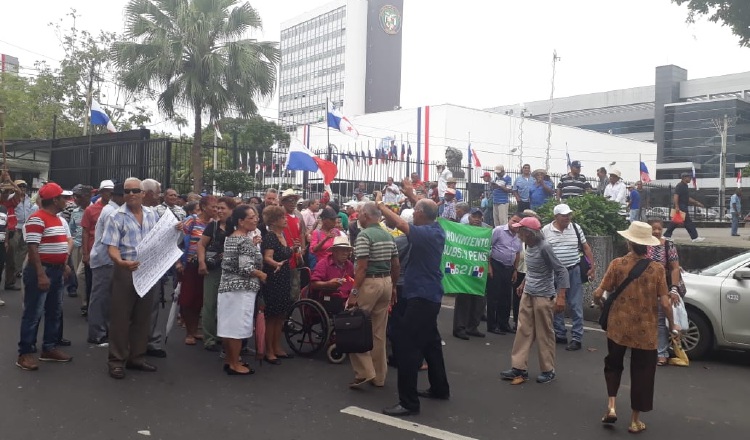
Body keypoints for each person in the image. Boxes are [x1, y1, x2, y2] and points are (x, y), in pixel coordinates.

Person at [593, 221, 678, 434]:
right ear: (649, 245)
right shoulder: (657, 269)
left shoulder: (617, 264)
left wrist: (602, 304)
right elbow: (666, 303)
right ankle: (634, 420)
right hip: (646, 330)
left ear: (629, 242)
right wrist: (672, 324)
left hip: (618, 326)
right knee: (642, 373)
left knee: (613, 364)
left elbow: (598, 293)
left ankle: (611, 406)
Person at [375, 181, 449, 417]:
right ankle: (439, 388)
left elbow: (398, 222)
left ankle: (408, 403)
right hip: (431, 296)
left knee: (406, 346)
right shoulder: (436, 228)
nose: (413, 213)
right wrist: (411, 194)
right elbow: (427, 209)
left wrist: (380, 204)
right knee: (431, 343)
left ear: (420, 215)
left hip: (421, 297)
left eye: (415, 211)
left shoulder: (423, 233)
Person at [101, 177, 160, 379]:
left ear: (144, 193)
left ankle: (137, 357)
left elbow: (162, 237)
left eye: (136, 191)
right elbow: (112, 247)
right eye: (127, 191)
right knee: (120, 317)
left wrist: (176, 230)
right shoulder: (116, 216)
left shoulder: (153, 214)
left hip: (147, 269)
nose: (131, 195)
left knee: (143, 317)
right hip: (125, 269)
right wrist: (120, 263)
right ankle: (116, 360)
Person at [500, 216, 569, 384]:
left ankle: (548, 370)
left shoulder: (544, 247)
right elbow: (532, 269)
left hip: (543, 296)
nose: (517, 232)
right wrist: (523, 283)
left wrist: (561, 296)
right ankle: (519, 367)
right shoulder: (527, 245)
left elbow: (561, 271)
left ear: (528, 233)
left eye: (520, 230)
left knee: (544, 333)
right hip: (529, 293)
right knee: (523, 330)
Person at [15, 183, 73, 371]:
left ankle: (48, 348)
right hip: (42, 271)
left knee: (54, 310)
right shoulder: (37, 219)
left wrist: (63, 265)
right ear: (54, 200)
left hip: (56, 271)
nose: (66, 200)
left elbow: (59, 244)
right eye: (63, 197)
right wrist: (41, 274)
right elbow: (33, 250)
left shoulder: (56, 219)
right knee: (33, 313)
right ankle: (25, 352)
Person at [347, 201, 399, 388]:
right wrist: (393, 286)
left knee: (355, 326)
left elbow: (361, 268)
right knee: (379, 332)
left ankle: (364, 372)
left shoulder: (364, 236)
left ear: (367, 216)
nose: (358, 215)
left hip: (369, 283)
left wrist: (353, 292)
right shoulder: (388, 235)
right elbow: (396, 265)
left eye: (360, 213)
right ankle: (379, 376)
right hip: (386, 282)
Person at [218, 204, 266, 375]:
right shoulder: (244, 240)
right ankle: (234, 364)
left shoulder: (232, 237)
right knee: (238, 328)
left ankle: (230, 360)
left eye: (256, 217)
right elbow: (246, 268)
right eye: (251, 217)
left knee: (228, 327)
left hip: (228, 287)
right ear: (240, 221)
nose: (255, 220)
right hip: (242, 289)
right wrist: (260, 274)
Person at [541, 204, 595, 351]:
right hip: (555, 272)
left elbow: (586, 247)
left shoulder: (576, 228)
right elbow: (541, 251)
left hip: (573, 270)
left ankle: (577, 337)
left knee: (575, 304)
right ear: (556, 217)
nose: (567, 218)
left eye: (569, 215)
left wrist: (592, 266)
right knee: (557, 302)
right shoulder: (546, 230)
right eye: (564, 215)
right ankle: (560, 333)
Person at [87, 183, 125, 346]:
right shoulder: (111, 212)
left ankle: (102, 331)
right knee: (101, 298)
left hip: (107, 259)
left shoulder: (113, 210)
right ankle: (97, 334)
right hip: (105, 259)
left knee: (106, 297)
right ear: (118, 196)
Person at [198, 196, 236, 352]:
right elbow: (201, 244)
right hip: (214, 269)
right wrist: (201, 262)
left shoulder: (236, 226)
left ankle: (224, 335)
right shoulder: (212, 227)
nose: (219, 211)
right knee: (210, 304)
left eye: (223, 208)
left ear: (231, 210)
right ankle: (209, 338)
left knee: (228, 304)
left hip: (232, 270)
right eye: (217, 208)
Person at [261, 205, 298, 364]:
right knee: (272, 317)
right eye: (282, 218)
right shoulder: (270, 236)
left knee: (281, 315)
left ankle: (277, 346)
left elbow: (285, 253)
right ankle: (269, 350)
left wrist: (292, 249)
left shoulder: (282, 235)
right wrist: (276, 263)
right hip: (274, 278)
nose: (285, 220)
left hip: (284, 277)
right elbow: (267, 257)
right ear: (274, 221)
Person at [176, 195, 215, 345]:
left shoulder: (214, 223)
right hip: (190, 265)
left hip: (207, 265)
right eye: (213, 207)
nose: (216, 210)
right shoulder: (191, 220)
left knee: (200, 299)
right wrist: (178, 262)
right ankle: (189, 332)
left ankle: (195, 329)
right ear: (204, 207)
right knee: (188, 299)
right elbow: (178, 242)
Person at [646, 219, 683, 366]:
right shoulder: (642, 244)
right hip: (645, 289)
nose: (656, 231)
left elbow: (675, 268)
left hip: (662, 288)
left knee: (661, 322)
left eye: (658, 229)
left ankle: (662, 353)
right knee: (645, 319)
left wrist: (673, 288)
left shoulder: (668, 244)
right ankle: (646, 350)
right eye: (653, 229)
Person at [453, 208, 490, 339]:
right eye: (474, 216)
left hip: (479, 269)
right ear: (469, 218)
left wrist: (489, 266)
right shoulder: (461, 229)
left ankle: (472, 327)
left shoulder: (486, 230)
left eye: (479, 217)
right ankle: (459, 328)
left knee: (479, 299)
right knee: (464, 299)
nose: (477, 219)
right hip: (464, 269)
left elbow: (488, 250)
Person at [81, 180, 114, 313]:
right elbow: (85, 231)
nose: (109, 193)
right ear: (101, 192)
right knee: (91, 282)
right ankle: (89, 307)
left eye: (111, 191)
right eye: (107, 191)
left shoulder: (118, 208)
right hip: (93, 250)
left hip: (110, 253)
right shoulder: (91, 209)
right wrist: (85, 253)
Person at [486, 213, 523, 335]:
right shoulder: (498, 230)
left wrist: (515, 270)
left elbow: (517, 254)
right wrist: (489, 266)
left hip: (509, 268)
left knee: (506, 298)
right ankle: (492, 325)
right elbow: (488, 247)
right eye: (513, 220)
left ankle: (504, 324)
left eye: (518, 222)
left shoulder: (519, 235)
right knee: (493, 297)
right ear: (509, 219)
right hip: (496, 265)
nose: (515, 223)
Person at [67, 184, 92, 311]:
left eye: (78, 196)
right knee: (78, 275)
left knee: (81, 274)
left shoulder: (95, 210)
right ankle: (85, 300)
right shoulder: (75, 212)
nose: (75, 198)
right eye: (74, 196)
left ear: (87, 196)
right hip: (77, 246)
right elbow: (71, 229)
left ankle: (87, 301)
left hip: (89, 247)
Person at [279, 189, 306, 301]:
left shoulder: (299, 216)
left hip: (296, 255)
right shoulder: (279, 214)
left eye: (294, 200)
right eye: (289, 200)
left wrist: (303, 248)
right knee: (283, 285)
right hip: (283, 253)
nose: (292, 203)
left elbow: (302, 233)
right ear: (284, 202)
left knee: (295, 285)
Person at [310, 235, 355, 303]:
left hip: (348, 300)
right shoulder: (324, 263)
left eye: (347, 250)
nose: (345, 253)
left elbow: (353, 282)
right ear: (334, 251)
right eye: (342, 250)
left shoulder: (349, 265)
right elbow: (313, 284)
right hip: (329, 299)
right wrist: (328, 284)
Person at [663, 172, 705, 242]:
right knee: (687, 222)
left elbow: (687, 198)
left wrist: (696, 202)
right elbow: (676, 196)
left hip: (683, 206)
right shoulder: (680, 185)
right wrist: (677, 206)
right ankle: (695, 237)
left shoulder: (685, 186)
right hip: (680, 206)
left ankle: (666, 236)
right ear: (684, 178)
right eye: (689, 177)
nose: (690, 179)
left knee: (676, 222)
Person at [1, 173, 24, 291]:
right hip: (2, 234)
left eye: (7, 192)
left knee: (11, 260)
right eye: (3, 192)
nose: (6, 194)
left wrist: (10, 181)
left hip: (11, 233)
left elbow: (19, 193)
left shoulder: (11, 202)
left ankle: (9, 282)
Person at [0, 206, 7, 306]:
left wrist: (6, 241)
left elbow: (6, 227)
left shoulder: (3, 209)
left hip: (1, 244)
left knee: (0, 268)